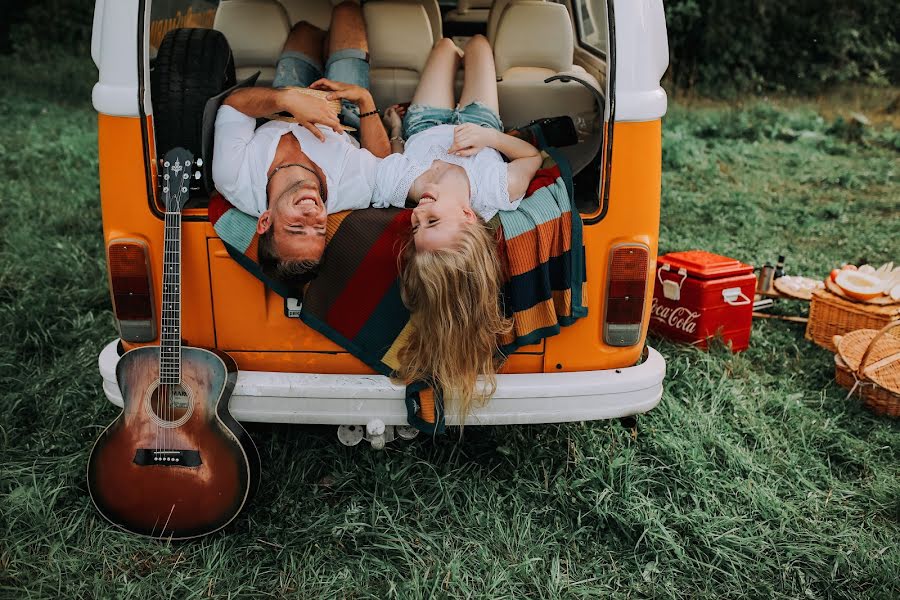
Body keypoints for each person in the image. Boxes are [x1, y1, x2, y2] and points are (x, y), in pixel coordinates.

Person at [372, 35, 544, 421]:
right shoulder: (496, 189)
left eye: (416, 227)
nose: (417, 215)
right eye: (432, 221)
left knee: (447, 45)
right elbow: (531, 155)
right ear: (469, 217)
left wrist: (397, 130)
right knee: (480, 44)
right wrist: (490, 138)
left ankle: (450, 51)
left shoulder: (405, 186)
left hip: (423, 126)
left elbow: (391, 159)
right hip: (481, 125)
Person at [212, 1, 390, 286]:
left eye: (296, 227)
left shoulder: (233, 179)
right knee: (345, 10)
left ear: (265, 221)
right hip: (344, 115)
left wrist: (287, 99)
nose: (313, 214)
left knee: (304, 28)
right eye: (319, 229)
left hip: (281, 104)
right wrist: (365, 101)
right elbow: (383, 161)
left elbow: (234, 105)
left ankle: (319, 45)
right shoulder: (350, 192)